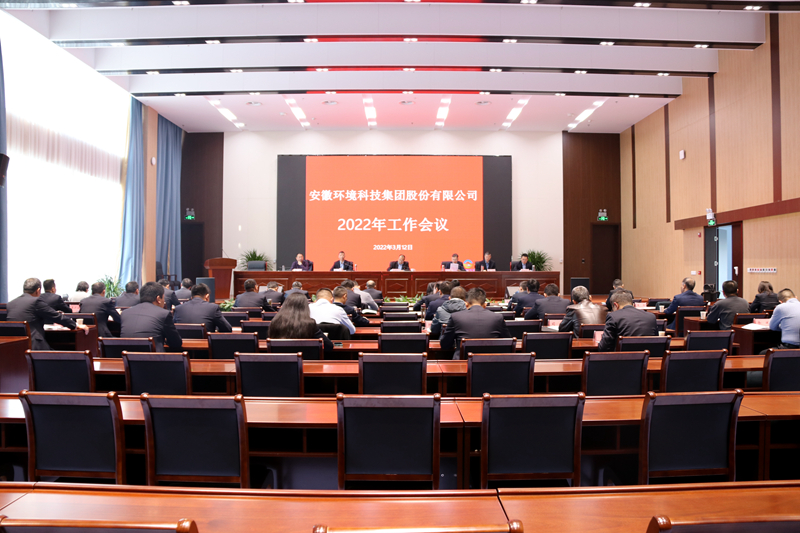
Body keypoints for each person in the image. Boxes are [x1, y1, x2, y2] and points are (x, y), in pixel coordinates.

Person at [7, 278, 83, 350]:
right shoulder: (35, 301)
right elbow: (56, 316)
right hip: (34, 345)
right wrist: (75, 325)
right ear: (38, 290)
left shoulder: (10, 304)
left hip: (14, 347)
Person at [440, 287, 512, 355]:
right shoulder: (498, 318)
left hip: (463, 361)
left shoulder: (456, 317)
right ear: (485, 305)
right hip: (491, 361)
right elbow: (508, 343)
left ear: (466, 304)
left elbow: (445, 345)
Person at [120, 281, 183, 352]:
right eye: (163, 298)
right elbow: (176, 343)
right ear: (158, 299)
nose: (164, 301)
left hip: (127, 357)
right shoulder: (163, 314)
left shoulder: (125, 313)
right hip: (153, 357)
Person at [268, 292, 334, 356]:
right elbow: (329, 346)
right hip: (306, 362)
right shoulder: (310, 324)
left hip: (280, 362)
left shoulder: (275, 322)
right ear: (305, 307)